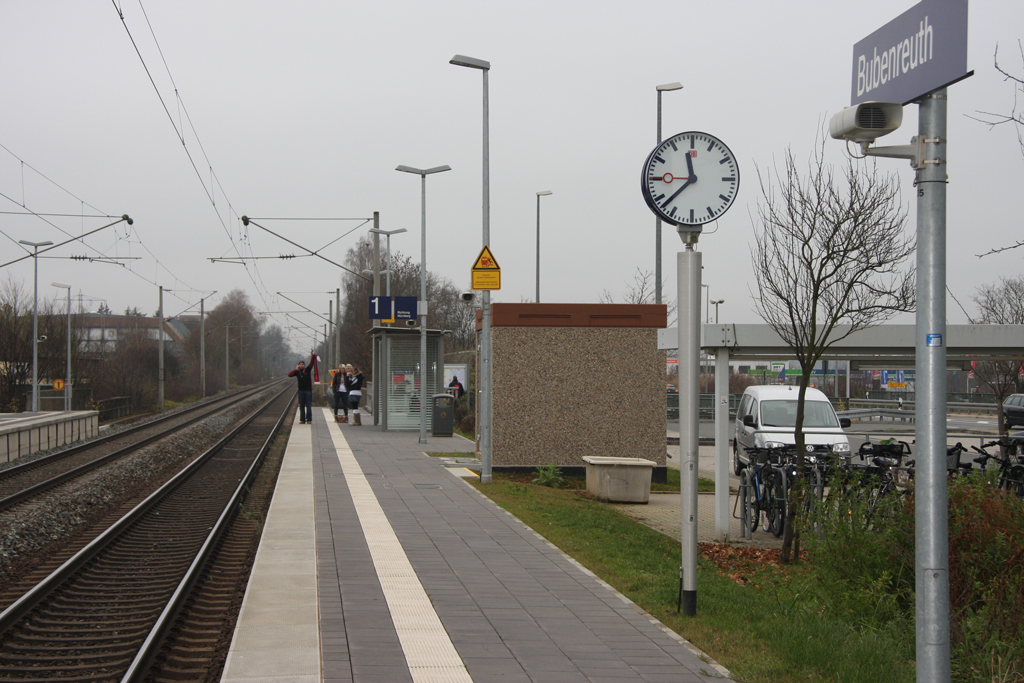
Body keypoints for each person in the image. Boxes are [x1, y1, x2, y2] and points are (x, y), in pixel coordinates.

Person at [288, 355, 315, 424]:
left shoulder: (307, 370)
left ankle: (309, 419)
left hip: (308, 390)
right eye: (300, 364)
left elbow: (312, 363)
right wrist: (296, 369)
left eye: (302, 364)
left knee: (308, 405)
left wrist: (313, 356)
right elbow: (289, 375)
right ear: (298, 365)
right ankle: (302, 419)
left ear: (304, 365)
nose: (301, 365)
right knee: (301, 406)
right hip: (301, 391)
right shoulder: (297, 372)